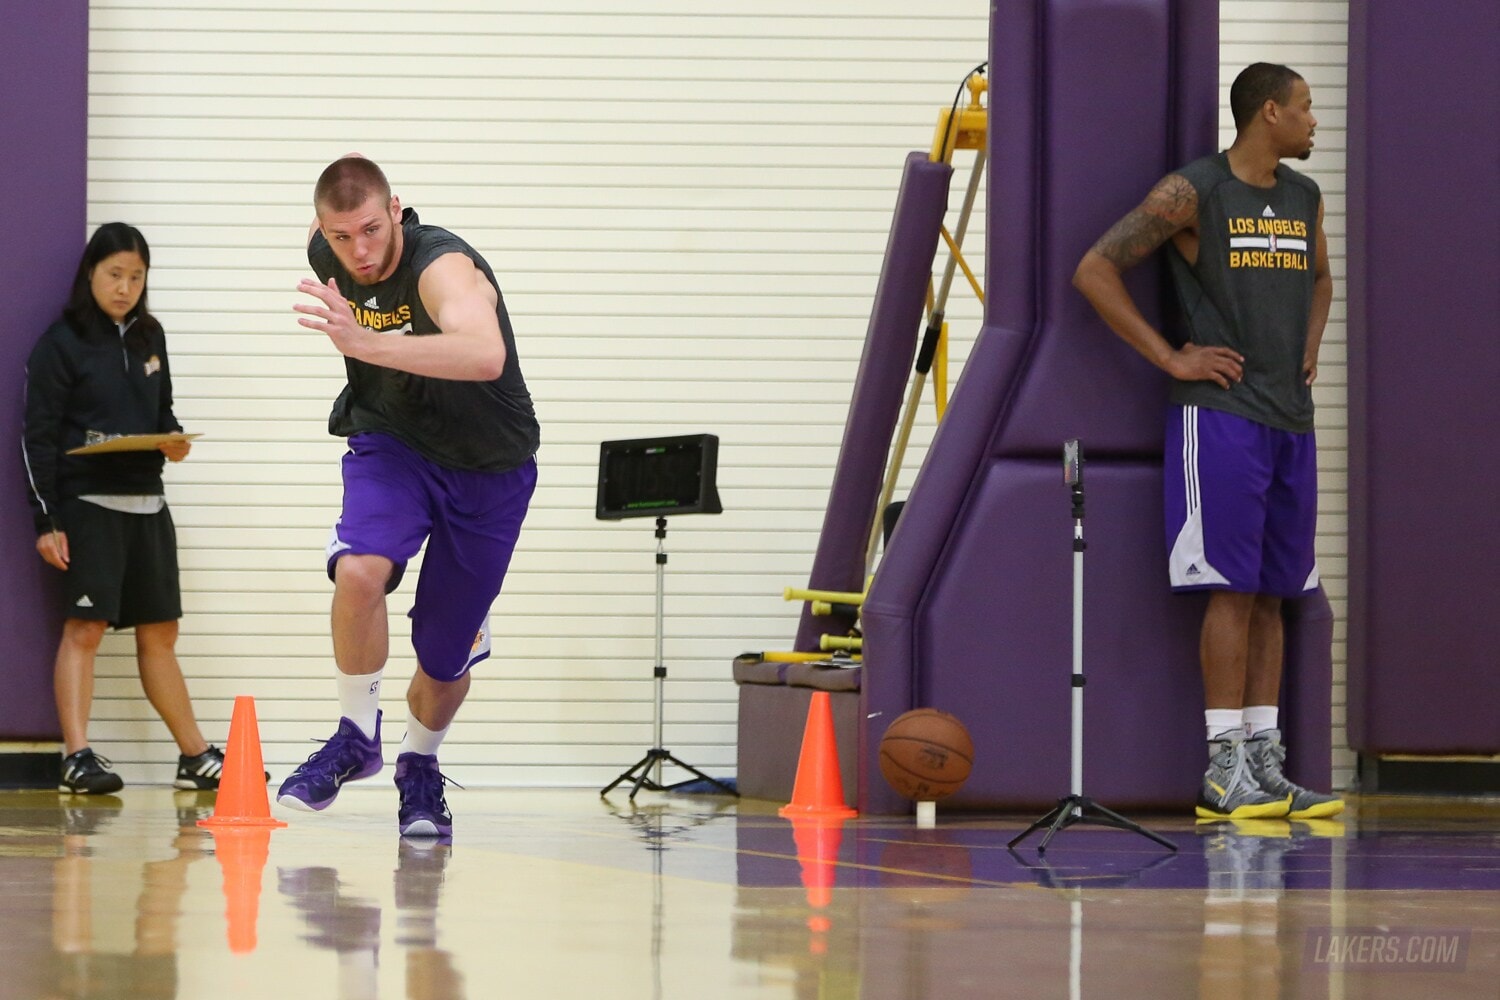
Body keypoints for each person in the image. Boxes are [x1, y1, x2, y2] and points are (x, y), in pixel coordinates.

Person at [1072, 63, 1343, 822]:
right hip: (1219, 416)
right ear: (1269, 113)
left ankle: (1265, 764)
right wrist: (1170, 356)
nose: (1314, 121)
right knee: (1231, 588)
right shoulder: (1195, 191)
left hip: (1289, 417)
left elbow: (1322, 279)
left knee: (1276, 592)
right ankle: (1223, 769)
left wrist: (1309, 346)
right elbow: (1094, 270)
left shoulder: (1305, 196)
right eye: (1305, 108)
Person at [279, 155, 539, 838]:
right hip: (393, 445)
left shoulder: (440, 265)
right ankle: (356, 735)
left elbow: (484, 354)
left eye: (372, 229)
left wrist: (367, 343)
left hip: (489, 469)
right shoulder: (329, 249)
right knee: (359, 569)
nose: (359, 251)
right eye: (342, 237)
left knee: (444, 657)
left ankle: (419, 763)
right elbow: (334, 220)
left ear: (397, 210)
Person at [24, 222, 229, 795]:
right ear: (90, 272)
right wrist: (47, 521)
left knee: (161, 632)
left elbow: (164, 414)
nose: (125, 288)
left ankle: (194, 756)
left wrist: (174, 440)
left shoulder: (149, 336)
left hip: (149, 504)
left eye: (136, 277)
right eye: (115, 274)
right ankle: (76, 756)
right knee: (86, 628)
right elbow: (36, 438)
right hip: (88, 504)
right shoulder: (60, 343)